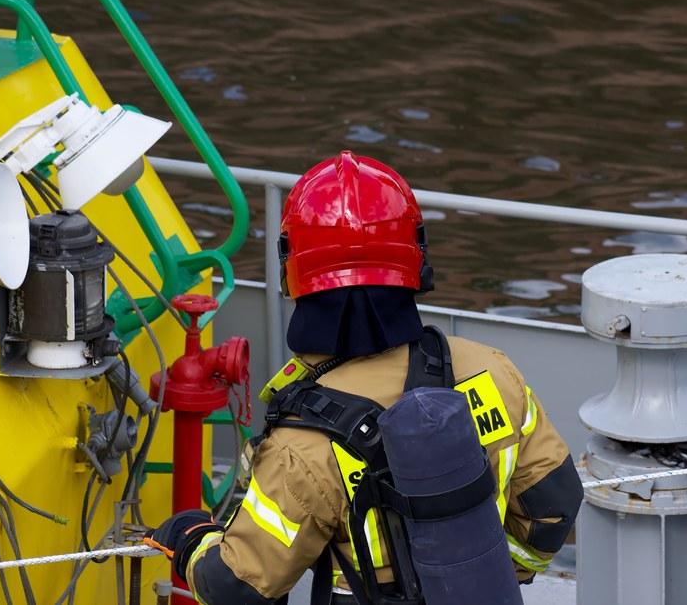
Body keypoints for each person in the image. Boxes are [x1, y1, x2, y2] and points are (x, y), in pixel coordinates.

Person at [145, 151, 583, 604]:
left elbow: (236, 587)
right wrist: (485, 577)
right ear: (416, 256)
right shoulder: (492, 370)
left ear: (292, 268)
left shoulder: (301, 447)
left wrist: (191, 540)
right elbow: (555, 507)